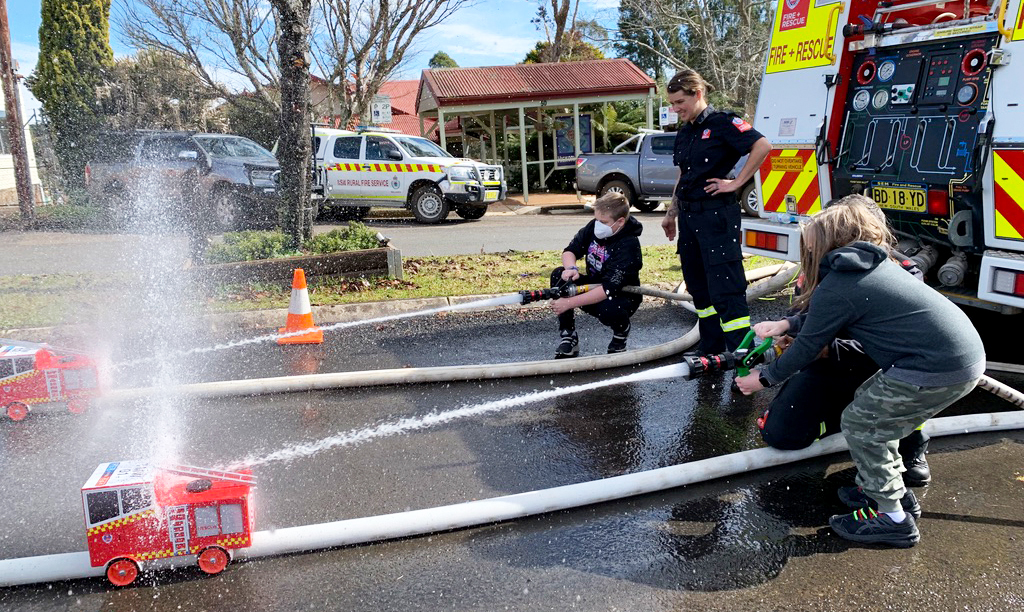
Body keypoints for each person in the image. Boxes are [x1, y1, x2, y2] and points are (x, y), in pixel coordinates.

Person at [735, 203, 985, 547]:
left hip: (933, 368)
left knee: (862, 424)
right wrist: (787, 322)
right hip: (955, 360)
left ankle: (893, 519)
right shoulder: (872, 265)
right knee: (871, 408)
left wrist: (761, 379)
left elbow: (807, 347)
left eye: (810, 243)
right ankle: (889, 492)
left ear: (827, 243)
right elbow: (833, 314)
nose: (807, 249)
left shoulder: (840, 282)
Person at [756, 195, 932, 487]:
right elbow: (803, 320)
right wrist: (790, 338)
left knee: (904, 396)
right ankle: (842, 421)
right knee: (781, 435)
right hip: (828, 368)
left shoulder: (903, 273)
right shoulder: (817, 268)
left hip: (881, 369)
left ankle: (911, 446)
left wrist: (828, 349)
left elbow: (899, 347)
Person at [662, 69, 773, 355]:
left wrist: (736, 183)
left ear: (697, 94)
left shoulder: (722, 122)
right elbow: (683, 175)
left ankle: (742, 358)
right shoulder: (685, 131)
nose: (675, 109)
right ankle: (710, 351)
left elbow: (762, 146)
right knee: (699, 288)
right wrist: (671, 212)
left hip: (716, 217)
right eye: (672, 104)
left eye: (678, 102)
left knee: (726, 290)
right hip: (689, 218)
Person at [551, 192, 644, 358]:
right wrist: (570, 268)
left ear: (620, 221)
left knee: (608, 308)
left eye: (603, 222)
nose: (598, 226)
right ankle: (568, 336)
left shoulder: (628, 245)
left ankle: (621, 333)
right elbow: (570, 251)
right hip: (593, 286)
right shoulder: (595, 227)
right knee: (559, 275)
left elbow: (608, 289)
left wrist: (568, 303)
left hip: (620, 296)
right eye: (597, 220)